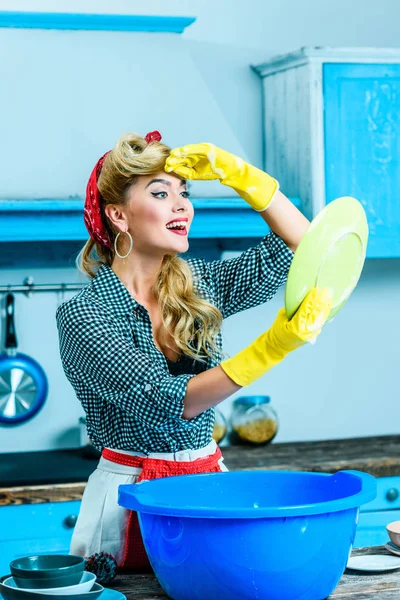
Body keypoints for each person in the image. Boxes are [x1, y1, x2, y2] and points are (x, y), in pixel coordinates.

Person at [56, 130, 332, 574]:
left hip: (206, 483)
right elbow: (166, 403)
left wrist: (243, 178)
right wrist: (272, 347)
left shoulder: (199, 286)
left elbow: (303, 243)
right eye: (161, 192)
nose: (182, 204)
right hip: (129, 500)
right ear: (119, 216)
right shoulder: (85, 315)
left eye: (184, 193)